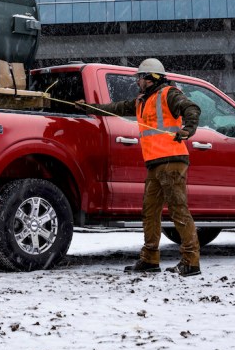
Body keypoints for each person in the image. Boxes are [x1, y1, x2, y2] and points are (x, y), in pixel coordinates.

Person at [86, 58, 203, 277]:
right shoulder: (142, 100)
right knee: (150, 212)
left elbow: (191, 108)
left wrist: (188, 130)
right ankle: (150, 259)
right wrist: (88, 107)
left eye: (140, 78)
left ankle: (191, 261)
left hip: (172, 161)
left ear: (150, 79)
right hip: (155, 163)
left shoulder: (169, 94)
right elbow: (115, 108)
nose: (137, 81)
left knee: (178, 210)